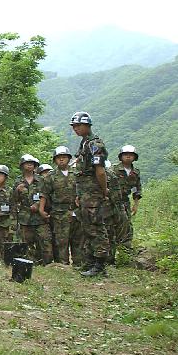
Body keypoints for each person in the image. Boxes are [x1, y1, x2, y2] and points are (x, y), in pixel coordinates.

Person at [70, 111, 110, 277]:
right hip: (85, 192)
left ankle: (100, 265)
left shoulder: (95, 144)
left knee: (96, 226)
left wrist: (103, 190)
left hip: (93, 192)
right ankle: (91, 261)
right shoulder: (84, 144)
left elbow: (99, 171)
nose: (76, 129)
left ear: (87, 125)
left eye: (78, 125)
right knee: (87, 227)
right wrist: (79, 194)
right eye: (74, 126)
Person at [12, 154, 52, 265]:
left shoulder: (42, 180)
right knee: (26, 243)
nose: (29, 165)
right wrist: (16, 191)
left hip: (40, 217)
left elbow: (48, 195)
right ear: (22, 165)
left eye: (32, 164)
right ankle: (30, 263)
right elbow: (13, 200)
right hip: (25, 217)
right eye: (27, 163)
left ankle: (47, 264)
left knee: (45, 241)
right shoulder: (18, 181)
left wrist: (38, 205)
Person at [40, 146, 77, 265]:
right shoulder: (50, 176)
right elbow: (44, 194)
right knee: (61, 240)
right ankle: (62, 265)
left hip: (77, 211)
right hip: (59, 212)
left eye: (64, 157)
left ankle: (79, 264)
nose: (61, 160)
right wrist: (41, 209)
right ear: (55, 160)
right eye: (59, 158)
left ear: (69, 159)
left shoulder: (77, 173)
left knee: (78, 239)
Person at [115, 145, 142, 256]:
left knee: (127, 224)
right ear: (121, 157)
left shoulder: (135, 172)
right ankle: (117, 248)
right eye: (125, 155)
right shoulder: (114, 169)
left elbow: (137, 188)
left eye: (130, 155)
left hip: (126, 200)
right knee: (121, 222)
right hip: (114, 201)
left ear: (134, 157)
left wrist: (136, 204)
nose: (128, 157)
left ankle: (125, 250)